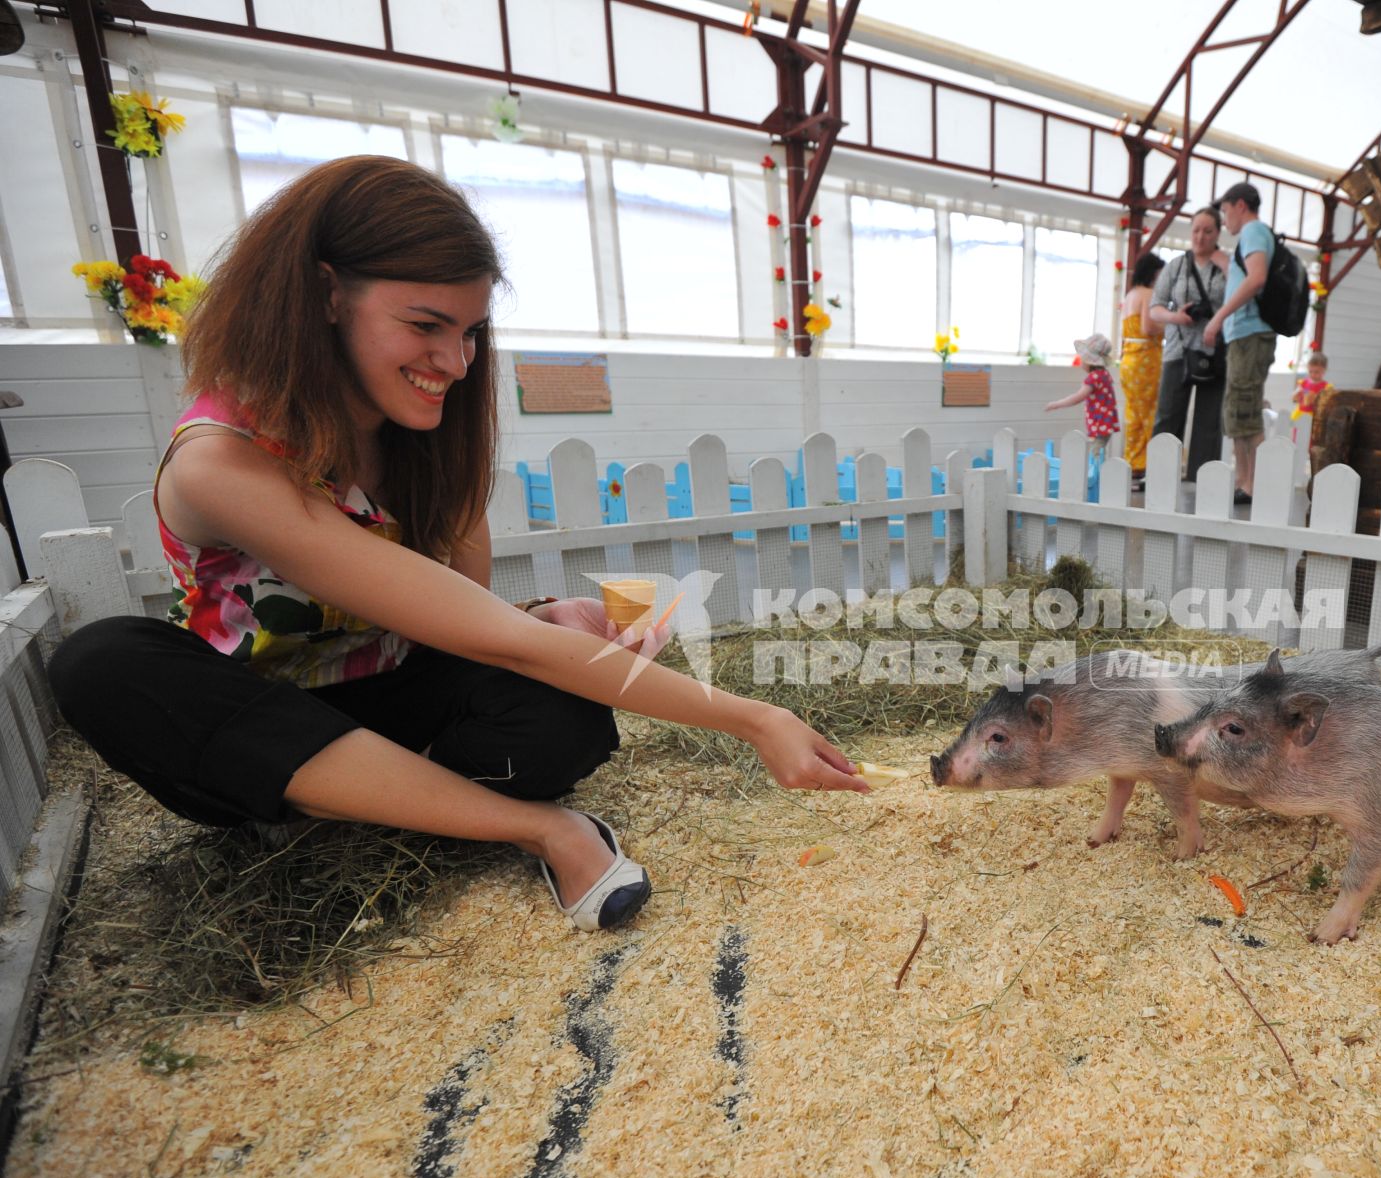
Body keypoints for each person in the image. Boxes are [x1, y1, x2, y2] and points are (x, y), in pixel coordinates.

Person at [47, 156, 866, 936]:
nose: (455, 360)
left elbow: (458, 625)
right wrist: (759, 718)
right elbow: (491, 637)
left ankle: (359, 810)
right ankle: (539, 829)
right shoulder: (222, 461)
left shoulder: (426, 437)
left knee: (565, 716)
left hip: (391, 691)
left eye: (471, 330)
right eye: (426, 325)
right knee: (102, 661)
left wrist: (545, 617)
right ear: (326, 296)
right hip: (260, 722)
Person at [1203, 181, 1280, 505]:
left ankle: (1253, 484)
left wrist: (1219, 316)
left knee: (1244, 407)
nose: (1225, 221)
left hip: (1250, 333)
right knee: (1239, 409)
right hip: (1245, 335)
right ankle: (1244, 480)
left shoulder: (1253, 232)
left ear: (1240, 205)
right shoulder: (1253, 235)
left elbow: (1257, 277)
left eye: (1225, 211)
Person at [1147, 207, 1229, 485]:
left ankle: (1202, 483)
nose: (1200, 237)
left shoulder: (1227, 266)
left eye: (1208, 231)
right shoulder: (1176, 266)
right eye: (1196, 230)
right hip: (1177, 351)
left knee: (1209, 423)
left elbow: (1245, 299)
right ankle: (1160, 477)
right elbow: (1154, 308)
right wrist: (1176, 316)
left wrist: (1227, 265)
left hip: (1215, 353)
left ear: (1218, 233)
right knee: (1167, 417)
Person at [1117, 253, 1165, 477]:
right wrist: (1169, 326)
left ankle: (1135, 462)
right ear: (1154, 273)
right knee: (1150, 412)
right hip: (1145, 359)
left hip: (1128, 360)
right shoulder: (1149, 294)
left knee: (1134, 413)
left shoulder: (1130, 295)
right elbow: (1148, 327)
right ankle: (1156, 462)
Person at [1044, 334, 1119, 462]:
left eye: (1082, 358)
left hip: (1100, 424)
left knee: (1096, 454)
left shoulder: (1094, 377)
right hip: (1105, 423)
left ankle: (1097, 477)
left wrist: (1057, 404)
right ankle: (1098, 473)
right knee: (1098, 450)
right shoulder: (1104, 374)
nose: (1080, 361)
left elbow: (1078, 397)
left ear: (1090, 361)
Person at [1291, 351, 1333, 425]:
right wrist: (1296, 395)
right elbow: (1294, 399)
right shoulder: (1303, 383)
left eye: (1316, 372)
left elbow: (1327, 404)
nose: (1313, 374)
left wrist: (1315, 399)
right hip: (1300, 413)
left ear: (1324, 370)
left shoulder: (1326, 387)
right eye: (1310, 371)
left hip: (1315, 416)